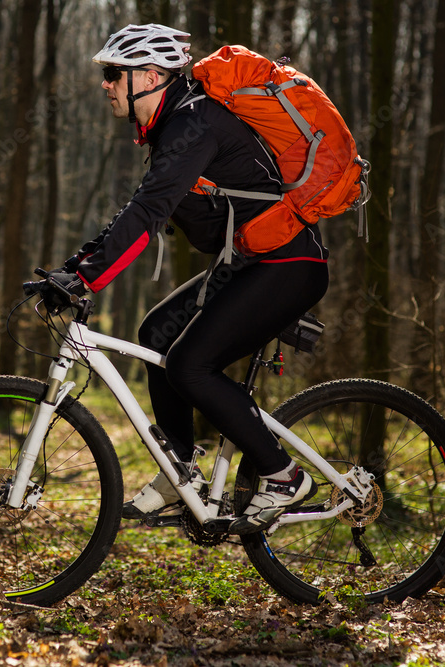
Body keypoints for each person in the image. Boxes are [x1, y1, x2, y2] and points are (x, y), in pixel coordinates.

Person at [46, 24, 330, 535]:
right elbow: (137, 210)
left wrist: (86, 280)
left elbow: (150, 212)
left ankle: (282, 476)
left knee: (189, 365)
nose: (105, 85)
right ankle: (180, 469)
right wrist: (74, 268)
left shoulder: (193, 123)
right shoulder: (176, 123)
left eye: (114, 73)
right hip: (249, 262)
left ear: (151, 76)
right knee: (156, 334)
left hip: (289, 266)